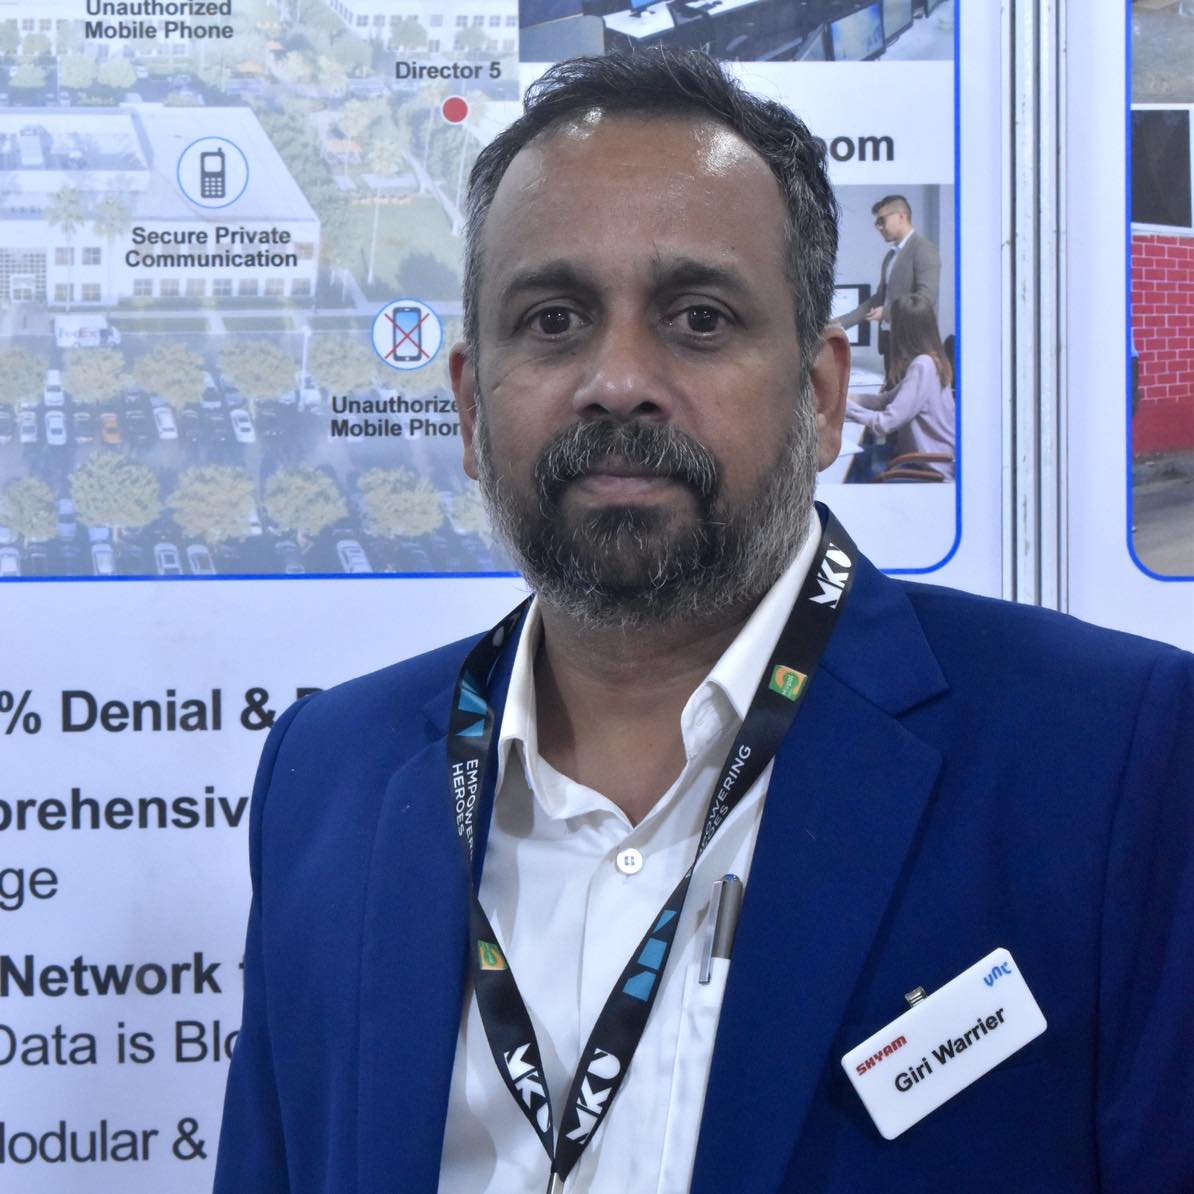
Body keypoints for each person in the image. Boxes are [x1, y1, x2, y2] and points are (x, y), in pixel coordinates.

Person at [214, 50, 1194, 1194]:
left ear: (822, 396)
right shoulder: (329, 777)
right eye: (554, 319)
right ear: (472, 408)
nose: (618, 379)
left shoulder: (1109, 756)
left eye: (698, 317)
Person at [845, 292, 956, 479]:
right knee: (858, 457)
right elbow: (884, 400)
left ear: (903, 331)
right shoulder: (933, 360)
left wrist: (844, 408)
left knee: (851, 469)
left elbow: (885, 423)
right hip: (927, 459)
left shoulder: (922, 367)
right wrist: (843, 398)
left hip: (926, 467)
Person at [838, 194, 942, 368]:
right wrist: (837, 325)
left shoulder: (924, 249)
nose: (879, 227)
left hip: (913, 347)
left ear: (901, 216)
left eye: (882, 220)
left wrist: (886, 313)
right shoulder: (891, 256)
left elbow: (926, 299)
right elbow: (878, 299)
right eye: (877, 222)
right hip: (891, 344)